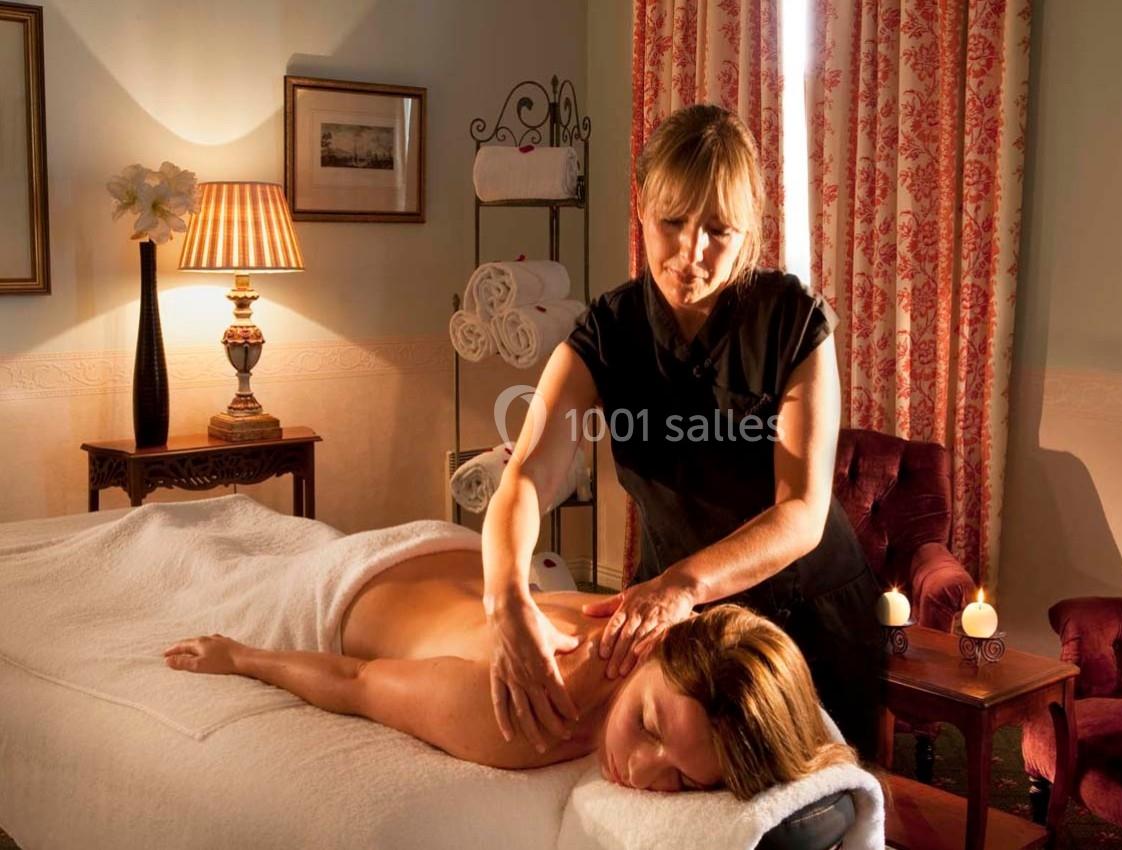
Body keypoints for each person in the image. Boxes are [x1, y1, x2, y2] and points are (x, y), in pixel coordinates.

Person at [481, 104, 883, 758]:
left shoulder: (793, 321)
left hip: (810, 615)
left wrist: (680, 585)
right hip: (681, 624)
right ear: (642, 207)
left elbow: (803, 513)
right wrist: (506, 600)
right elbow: (527, 476)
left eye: (718, 231)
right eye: (672, 223)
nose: (691, 254)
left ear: (749, 228)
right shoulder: (607, 333)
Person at [164, 547, 855, 799]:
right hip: (348, 581)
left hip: (463, 561)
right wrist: (243, 657)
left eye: (684, 781)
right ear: (654, 650)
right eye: (649, 727)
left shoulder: (667, 628)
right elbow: (357, 680)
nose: (643, 772)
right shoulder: (528, 715)